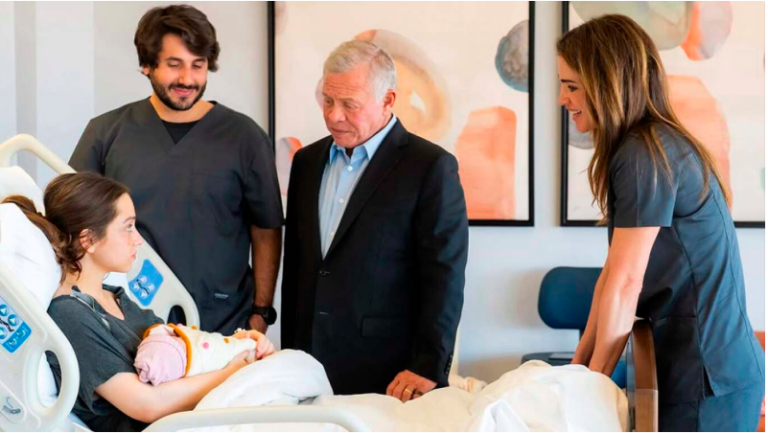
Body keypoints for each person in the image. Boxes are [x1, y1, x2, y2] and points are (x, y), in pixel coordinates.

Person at [557, 14, 765, 432]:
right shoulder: (644, 146)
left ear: (608, 84)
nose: (563, 98)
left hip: (709, 377)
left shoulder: (645, 154)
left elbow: (626, 284)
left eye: (572, 86)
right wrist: (578, 371)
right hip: (700, 369)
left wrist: (591, 388)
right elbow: (612, 276)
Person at [69, 5, 283, 335]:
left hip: (223, 321)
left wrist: (261, 313)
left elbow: (266, 228)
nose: (187, 79)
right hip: (126, 320)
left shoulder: (245, 138)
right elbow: (71, 224)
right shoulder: (106, 133)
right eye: (174, 65)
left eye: (198, 65)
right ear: (147, 65)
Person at [3, 173, 275, 431]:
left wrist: (236, 345)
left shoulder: (116, 297)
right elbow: (148, 405)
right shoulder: (70, 316)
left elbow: (182, 352)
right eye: (128, 227)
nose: (138, 239)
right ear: (89, 240)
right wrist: (235, 369)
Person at [281, 40, 469, 400]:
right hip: (306, 366)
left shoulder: (430, 167)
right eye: (327, 101)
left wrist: (428, 365)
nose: (334, 115)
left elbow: (445, 276)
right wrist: (289, 353)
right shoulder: (306, 162)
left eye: (349, 104)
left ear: (388, 100)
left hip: (392, 373)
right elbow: (297, 268)